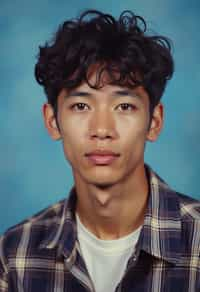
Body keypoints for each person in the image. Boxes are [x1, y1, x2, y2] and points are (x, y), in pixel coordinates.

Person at [0, 9, 199, 292]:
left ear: (154, 122)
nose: (102, 129)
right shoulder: (14, 254)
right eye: (81, 106)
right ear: (53, 121)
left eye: (124, 106)